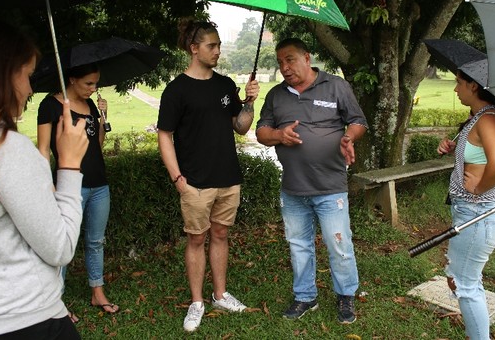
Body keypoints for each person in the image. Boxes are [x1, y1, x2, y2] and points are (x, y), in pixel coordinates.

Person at [0, 20, 88, 339]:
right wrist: (69, 166)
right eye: (27, 76)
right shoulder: (8, 150)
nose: (30, 89)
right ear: (2, 76)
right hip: (29, 321)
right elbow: (60, 248)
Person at [157, 19, 259, 332]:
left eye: (218, 45)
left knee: (220, 235)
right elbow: (165, 135)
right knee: (196, 239)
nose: (218, 50)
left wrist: (250, 102)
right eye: (211, 46)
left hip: (228, 177)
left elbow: (240, 127)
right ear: (194, 48)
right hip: (195, 182)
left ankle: (220, 294)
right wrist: (178, 179)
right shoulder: (177, 90)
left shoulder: (225, 85)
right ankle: (197, 301)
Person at [255, 38, 367, 324]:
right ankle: (305, 296)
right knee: (298, 245)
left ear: (307, 57)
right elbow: (261, 133)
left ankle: (345, 296)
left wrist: (348, 137)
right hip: (293, 188)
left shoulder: (336, 86)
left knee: (338, 244)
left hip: (330, 186)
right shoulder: (276, 95)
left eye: (290, 59)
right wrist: (280, 136)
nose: (284, 67)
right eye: (280, 62)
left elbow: (358, 121)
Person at [37, 63, 118, 320]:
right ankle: (55, 301)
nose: (93, 89)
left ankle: (97, 291)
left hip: (99, 185)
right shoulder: (50, 106)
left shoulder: (91, 105)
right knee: (63, 244)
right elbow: (42, 150)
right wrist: (47, 184)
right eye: (88, 84)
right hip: (70, 186)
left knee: (96, 241)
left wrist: (104, 117)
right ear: (71, 79)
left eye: (96, 84)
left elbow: (97, 145)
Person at [437, 63, 495, 340]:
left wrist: (480, 187)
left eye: (458, 82)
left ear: (474, 86)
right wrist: (456, 148)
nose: (455, 88)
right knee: (463, 281)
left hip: (479, 213)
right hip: (470, 212)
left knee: (464, 285)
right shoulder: (478, 117)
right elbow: (479, 153)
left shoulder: (488, 118)